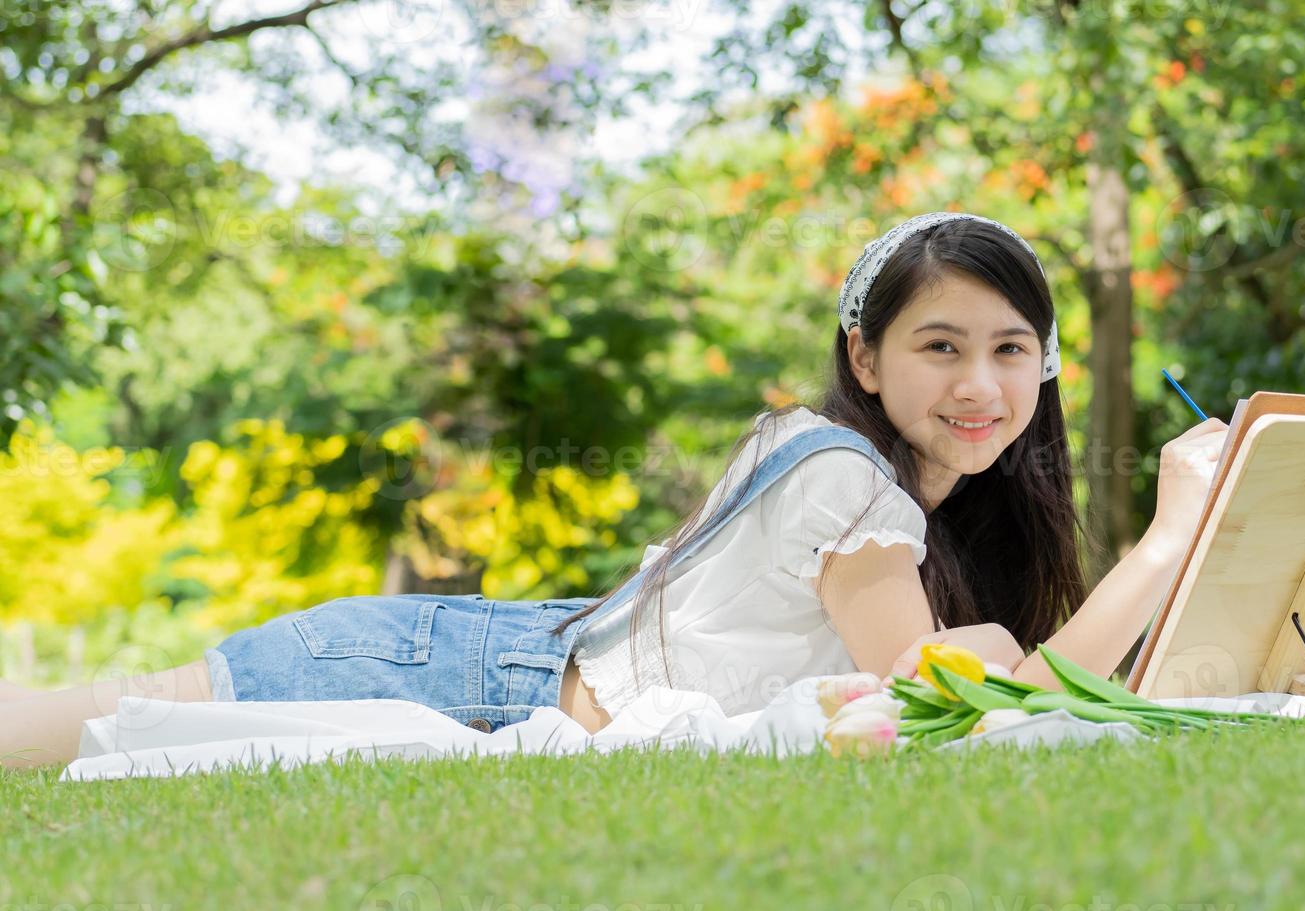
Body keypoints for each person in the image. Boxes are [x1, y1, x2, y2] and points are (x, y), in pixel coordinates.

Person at [0, 211, 1227, 770]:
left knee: (89, 715)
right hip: (437, 668)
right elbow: (954, 714)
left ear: (1047, 362)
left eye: (1010, 348)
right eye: (940, 346)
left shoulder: (895, 499)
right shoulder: (847, 480)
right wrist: (1167, 544)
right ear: (867, 357)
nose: (982, 385)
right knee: (87, 722)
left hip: (479, 660)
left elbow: (1023, 690)